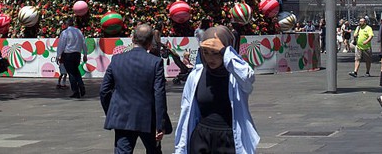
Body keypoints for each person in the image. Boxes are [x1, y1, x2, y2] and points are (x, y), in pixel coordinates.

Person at [174, 25, 259, 154]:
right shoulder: (196, 75)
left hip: (228, 139)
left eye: (215, 52)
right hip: (201, 139)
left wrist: (225, 52)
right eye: (206, 52)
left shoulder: (235, 77)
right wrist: (180, 149)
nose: (210, 58)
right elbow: (185, 113)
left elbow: (248, 77)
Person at [100, 23, 167, 154]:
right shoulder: (155, 62)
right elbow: (159, 94)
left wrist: (112, 111)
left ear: (132, 38)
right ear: (150, 42)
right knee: (154, 150)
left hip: (122, 116)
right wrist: (160, 124)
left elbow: (104, 90)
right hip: (148, 117)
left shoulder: (117, 60)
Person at [57, 17, 87, 98]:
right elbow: (84, 43)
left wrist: (58, 55)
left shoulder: (65, 32)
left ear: (66, 24)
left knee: (71, 73)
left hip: (68, 54)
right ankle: (81, 86)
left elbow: (61, 45)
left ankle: (76, 91)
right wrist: (85, 54)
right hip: (77, 54)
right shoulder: (78, 31)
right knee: (76, 71)